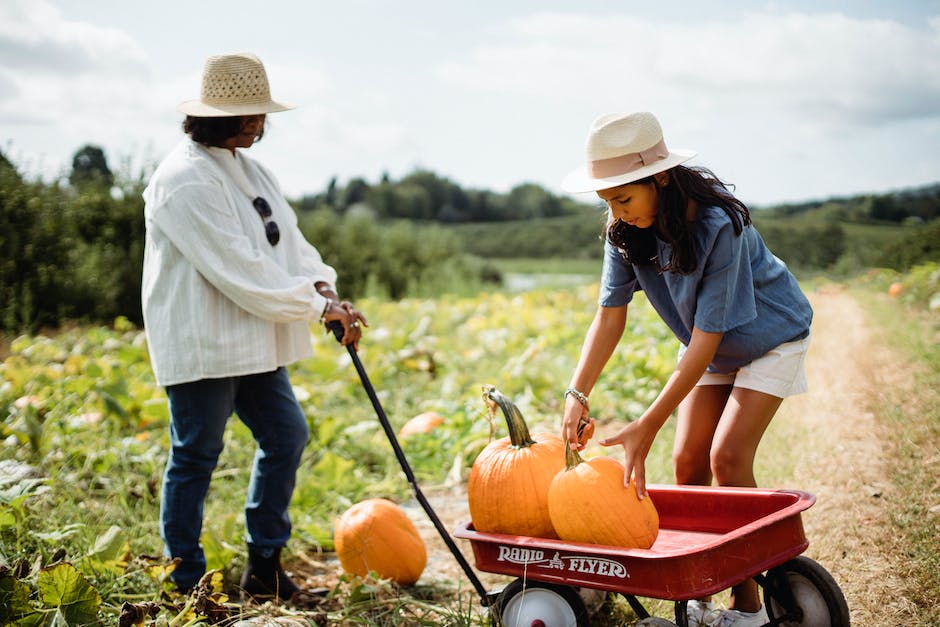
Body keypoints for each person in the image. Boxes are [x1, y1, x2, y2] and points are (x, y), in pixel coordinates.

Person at [558, 112, 812, 627]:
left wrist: (646, 424)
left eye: (624, 199)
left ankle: (750, 608)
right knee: (687, 463)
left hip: (769, 337)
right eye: (607, 203)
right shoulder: (623, 231)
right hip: (711, 345)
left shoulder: (720, 225)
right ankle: (701, 592)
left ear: (660, 178)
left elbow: (706, 339)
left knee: (727, 458)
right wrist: (576, 393)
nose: (617, 214)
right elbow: (609, 316)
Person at [141, 52, 367, 603]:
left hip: (255, 339)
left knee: (286, 435)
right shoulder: (184, 178)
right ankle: (185, 582)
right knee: (196, 453)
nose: (259, 123)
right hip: (205, 340)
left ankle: (263, 568)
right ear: (212, 114)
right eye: (247, 114)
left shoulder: (250, 169)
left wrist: (324, 290)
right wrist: (314, 309)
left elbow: (289, 243)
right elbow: (239, 268)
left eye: (261, 113)